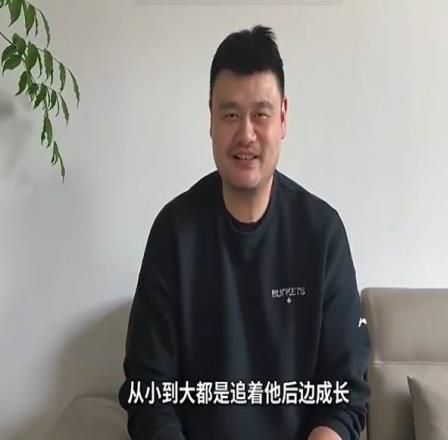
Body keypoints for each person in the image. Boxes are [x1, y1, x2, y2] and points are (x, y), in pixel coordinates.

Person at [118, 25, 371, 440]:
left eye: (261, 114)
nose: (246, 134)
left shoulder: (322, 233)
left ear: (283, 117)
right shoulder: (173, 234)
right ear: (211, 119)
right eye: (231, 115)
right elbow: (149, 392)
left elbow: (345, 392)